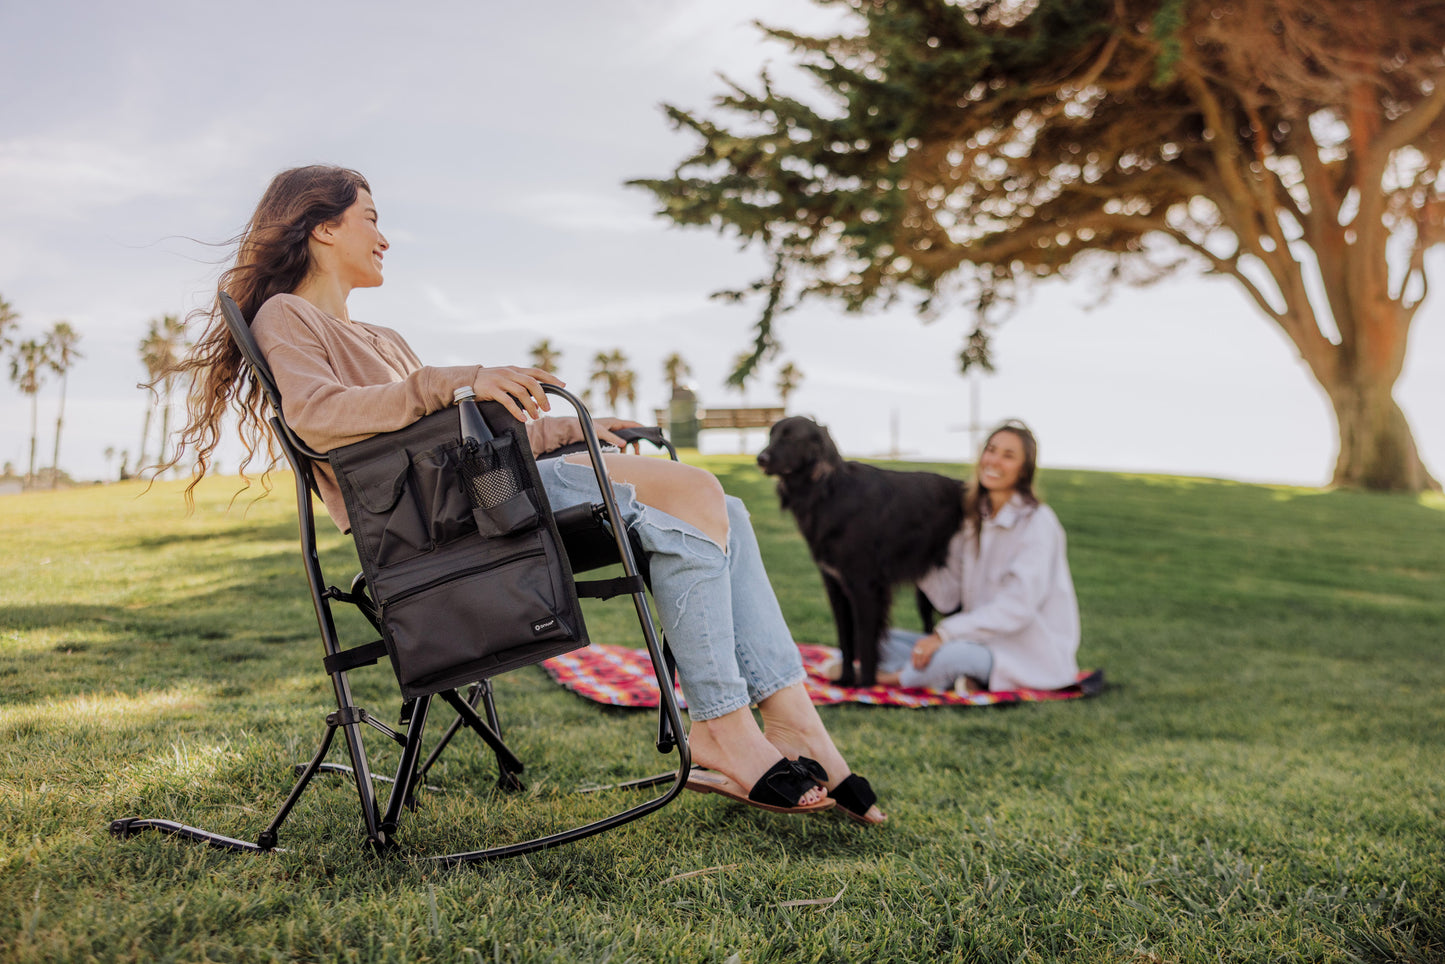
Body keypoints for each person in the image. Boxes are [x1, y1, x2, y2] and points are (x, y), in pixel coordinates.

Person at [162, 165, 885, 824]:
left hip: (487, 494)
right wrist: (450, 380)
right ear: (323, 226)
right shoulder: (288, 318)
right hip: (446, 526)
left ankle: (793, 721)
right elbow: (316, 418)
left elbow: (466, 438)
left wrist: (579, 430)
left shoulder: (381, 336)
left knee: (722, 510)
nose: (384, 238)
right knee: (693, 492)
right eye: (370, 218)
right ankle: (723, 727)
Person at [875, 420, 1080, 694]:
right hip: (974, 641)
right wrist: (913, 559)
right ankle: (955, 678)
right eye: (991, 450)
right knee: (875, 639)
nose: (994, 460)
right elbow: (949, 597)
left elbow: (1017, 608)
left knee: (948, 657)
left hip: (1023, 653)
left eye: (1008, 456)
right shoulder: (974, 519)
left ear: (1024, 470)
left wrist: (943, 635)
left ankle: (887, 679)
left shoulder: (1038, 523)